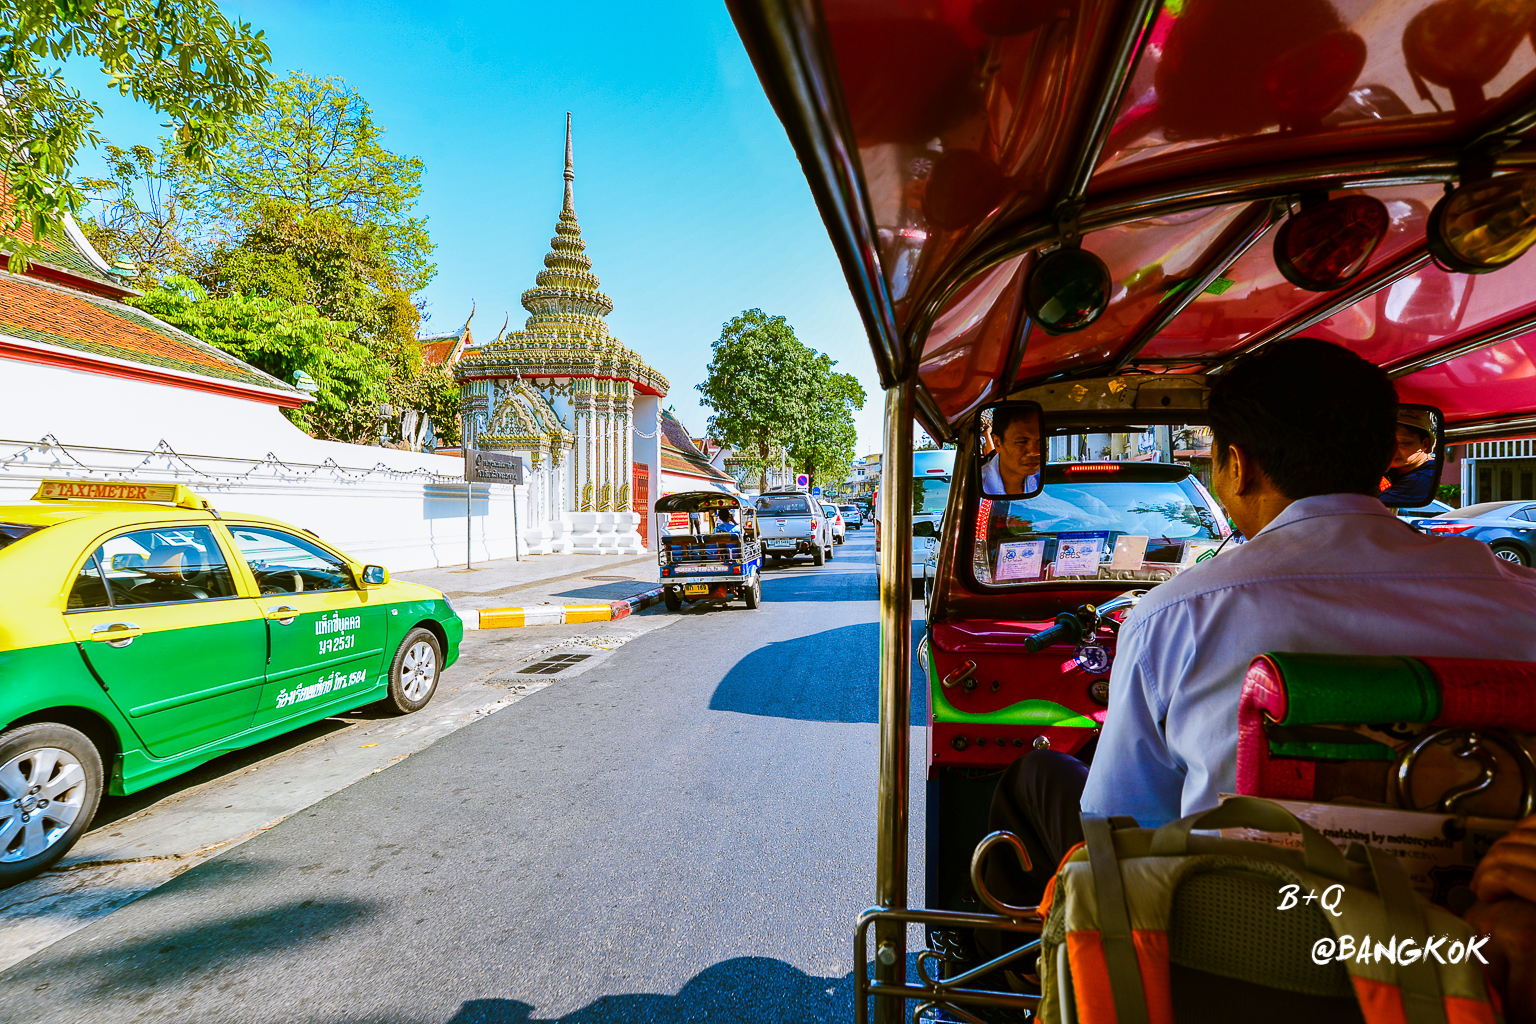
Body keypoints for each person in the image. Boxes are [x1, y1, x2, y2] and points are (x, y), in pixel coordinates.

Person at [984, 337, 1536, 911]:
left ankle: (1013, 981)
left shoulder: (1176, 616)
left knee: (1039, 774)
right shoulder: (1524, 603)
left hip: (1232, 958)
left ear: (1237, 466)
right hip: (1473, 959)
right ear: (1381, 460)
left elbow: (1120, 831)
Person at [1380, 407, 1438, 505]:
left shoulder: (1423, 478)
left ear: (1425, 444)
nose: (1392, 449)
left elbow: (1367, 505)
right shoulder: (1393, 469)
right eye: (1386, 441)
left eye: (1403, 443)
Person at [980, 406, 1042, 495]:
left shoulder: (1042, 479)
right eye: (1022, 442)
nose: (1035, 452)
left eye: (1040, 441)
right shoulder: (976, 486)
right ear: (997, 443)